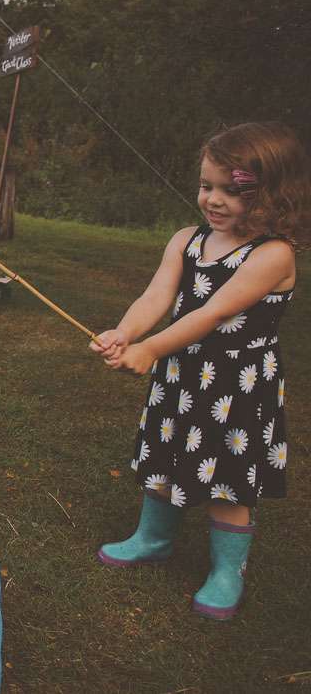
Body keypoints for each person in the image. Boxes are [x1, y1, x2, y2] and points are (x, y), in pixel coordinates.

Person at [91, 122, 310, 620]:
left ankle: (228, 571)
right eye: (206, 185)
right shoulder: (186, 240)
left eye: (231, 191)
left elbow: (211, 314)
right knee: (165, 453)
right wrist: (125, 332)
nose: (213, 199)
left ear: (272, 195)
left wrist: (150, 349)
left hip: (237, 384)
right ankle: (153, 539)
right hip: (184, 374)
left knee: (228, 477)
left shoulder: (272, 255)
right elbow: (156, 296)